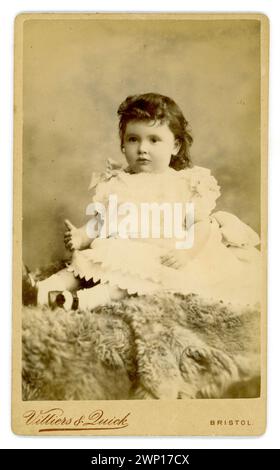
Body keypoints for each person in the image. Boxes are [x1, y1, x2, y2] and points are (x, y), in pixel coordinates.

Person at [23, 93, 262, 311]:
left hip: (163, 255)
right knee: (83, 263)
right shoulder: (118, 182)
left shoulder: (185, 184)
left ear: (175, 146)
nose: (142, 149)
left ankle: (82, 301)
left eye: (154, 140)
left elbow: (201, 225)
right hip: (124, 249)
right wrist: (81, 236)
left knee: (132, 281)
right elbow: (102, 221)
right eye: (133, 139)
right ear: (123, 144)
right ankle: (41, 289)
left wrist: (186, 253)